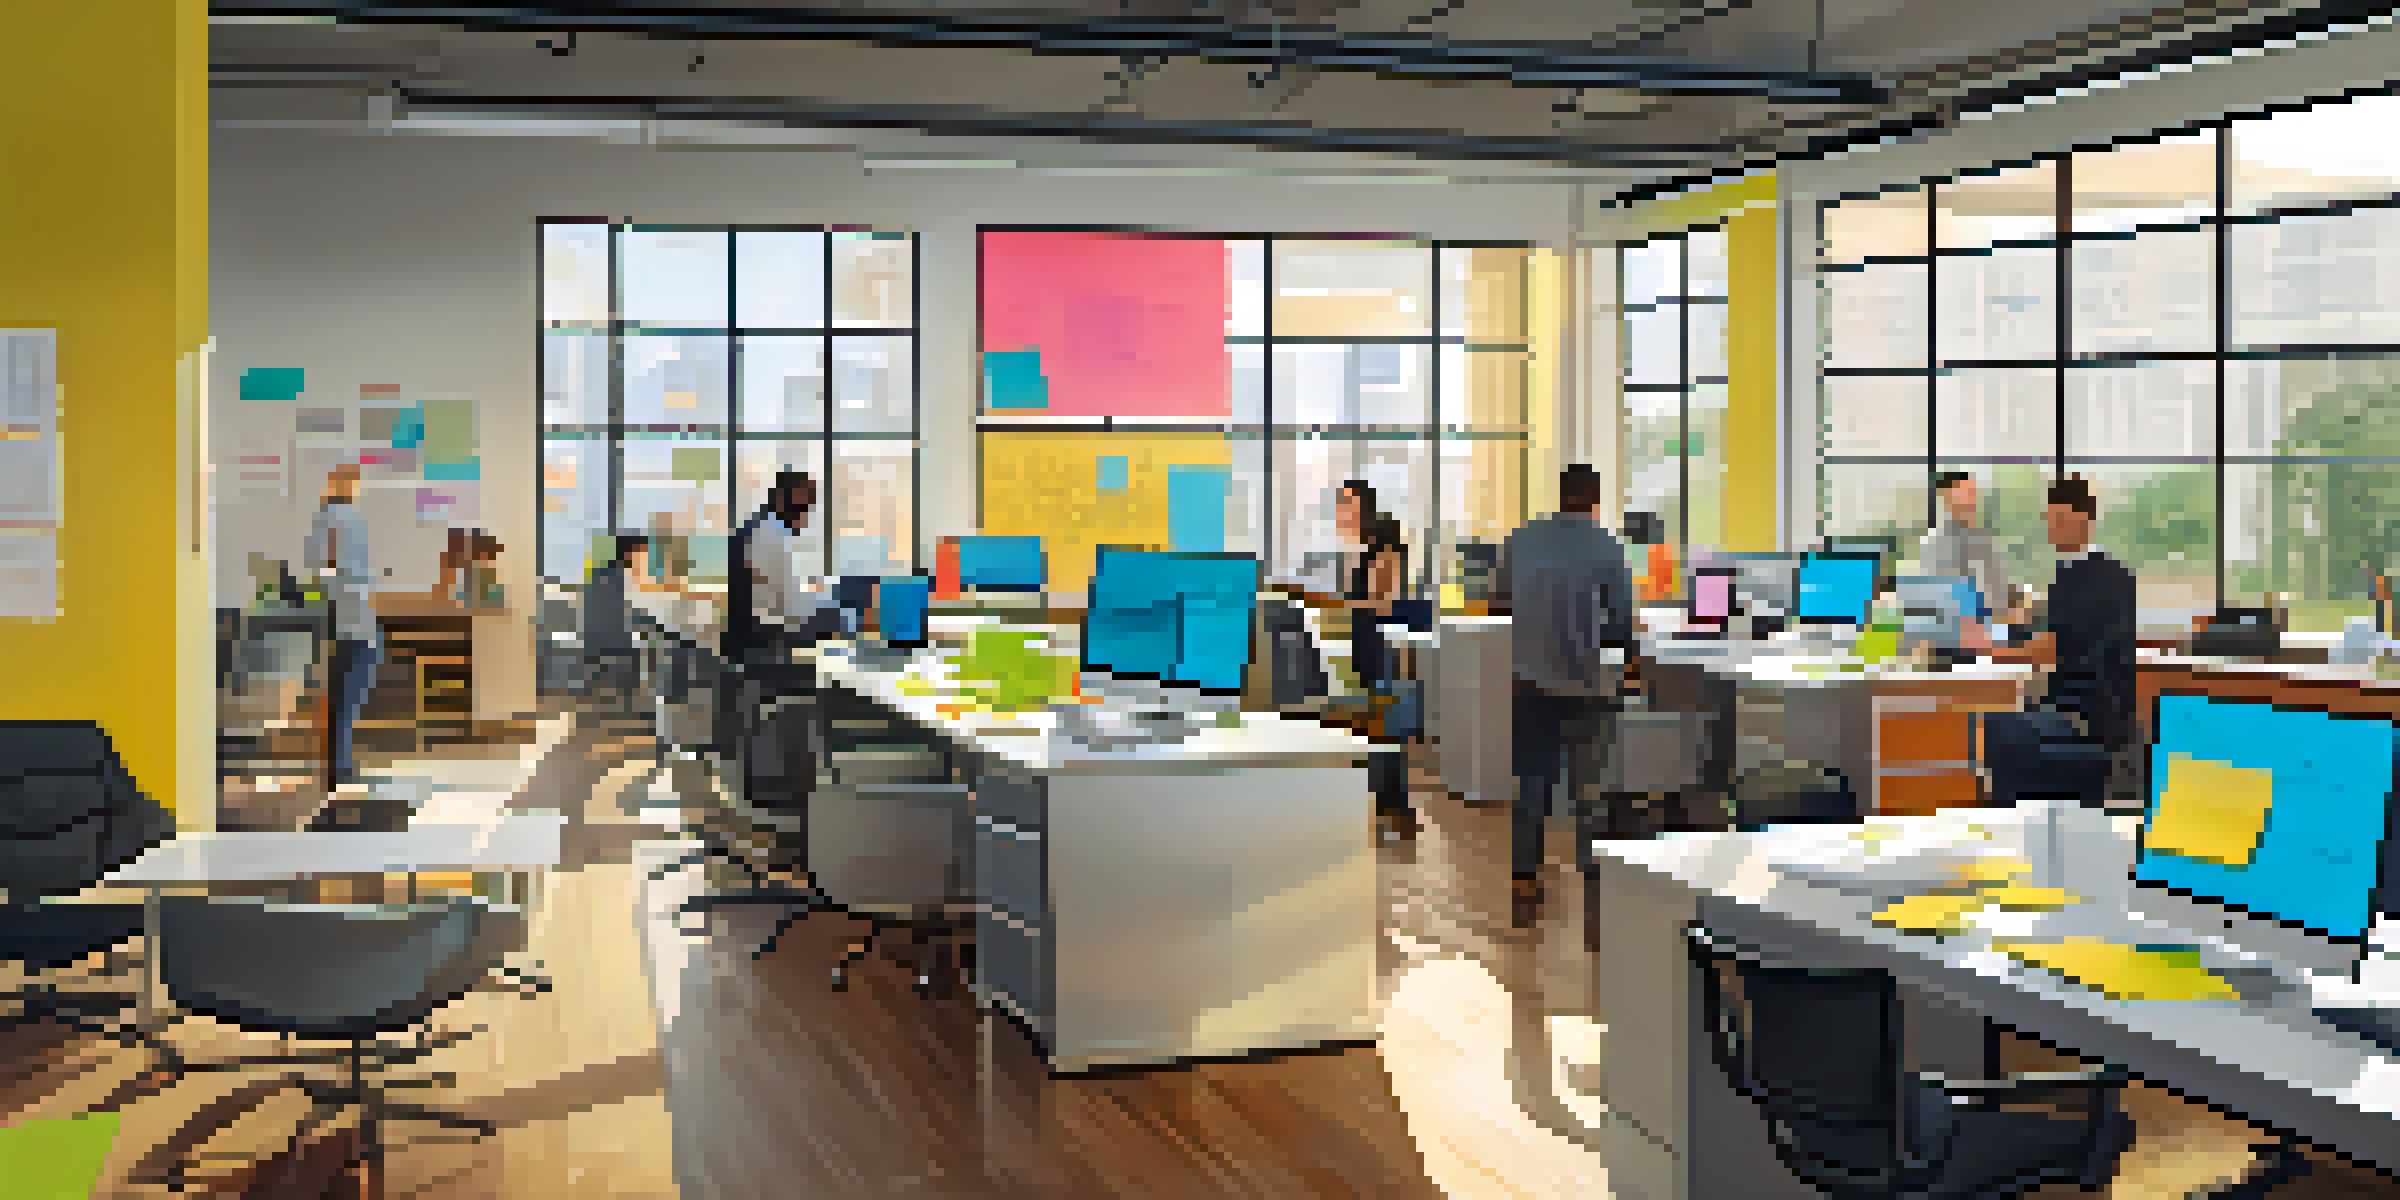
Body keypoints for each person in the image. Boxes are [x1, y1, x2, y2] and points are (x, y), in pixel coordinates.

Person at [1495, 464, 1636, 926]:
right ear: (1594, 499)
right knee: (1588, 793)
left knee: (1531, 784)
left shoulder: (1521, 539)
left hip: (1529, 683)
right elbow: (1618, 628)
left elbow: (1499, 604)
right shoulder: (1608, 547)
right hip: (1585, 687)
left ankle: (1523, 880)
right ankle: (1592, 886)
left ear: (1560, 496)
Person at [1983, 477, 2138, 806]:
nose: (2052, 529)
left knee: (1996, 727)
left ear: (2085, 520)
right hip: (2078, 706)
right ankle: (2026, 814)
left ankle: (2018, 815)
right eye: (2050, 520)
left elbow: (2053, 647)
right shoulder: (2085, 571)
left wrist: (1992, 651)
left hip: (2090, 714)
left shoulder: (2094, 577)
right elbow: (2062, 632)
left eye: (2061, 520)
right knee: (2005, 725)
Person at [1334, 481, 1418, 839]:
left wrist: (1344, 603)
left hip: (1379, 644)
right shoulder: (1366, 552)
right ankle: (1387, 805)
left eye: (1350, 506)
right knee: (1377, 726)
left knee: (1386, 727)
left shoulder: (1385, 553)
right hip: (1365, 643)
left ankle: (1397, 808)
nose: (1345, 514)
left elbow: (1384, 605)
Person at [306, 462, 379, 790]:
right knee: (349, 692)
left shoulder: (331, 517)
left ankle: (341, 764)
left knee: (345, 694)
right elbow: (332, 568)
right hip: (350, 613)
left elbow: (323, 567)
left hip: (347, 611)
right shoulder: (340, 518)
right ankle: (340, 766)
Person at [1921, 472, 2009, 646]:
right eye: (1964, 494)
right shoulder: (1939, 542)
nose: (1971, 501)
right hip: (1961, 631)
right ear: (1947, 500)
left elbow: (1997, 583)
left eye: (1972, 493)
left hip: (1993, 625)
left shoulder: (1984, 536)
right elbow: (1943, 594)